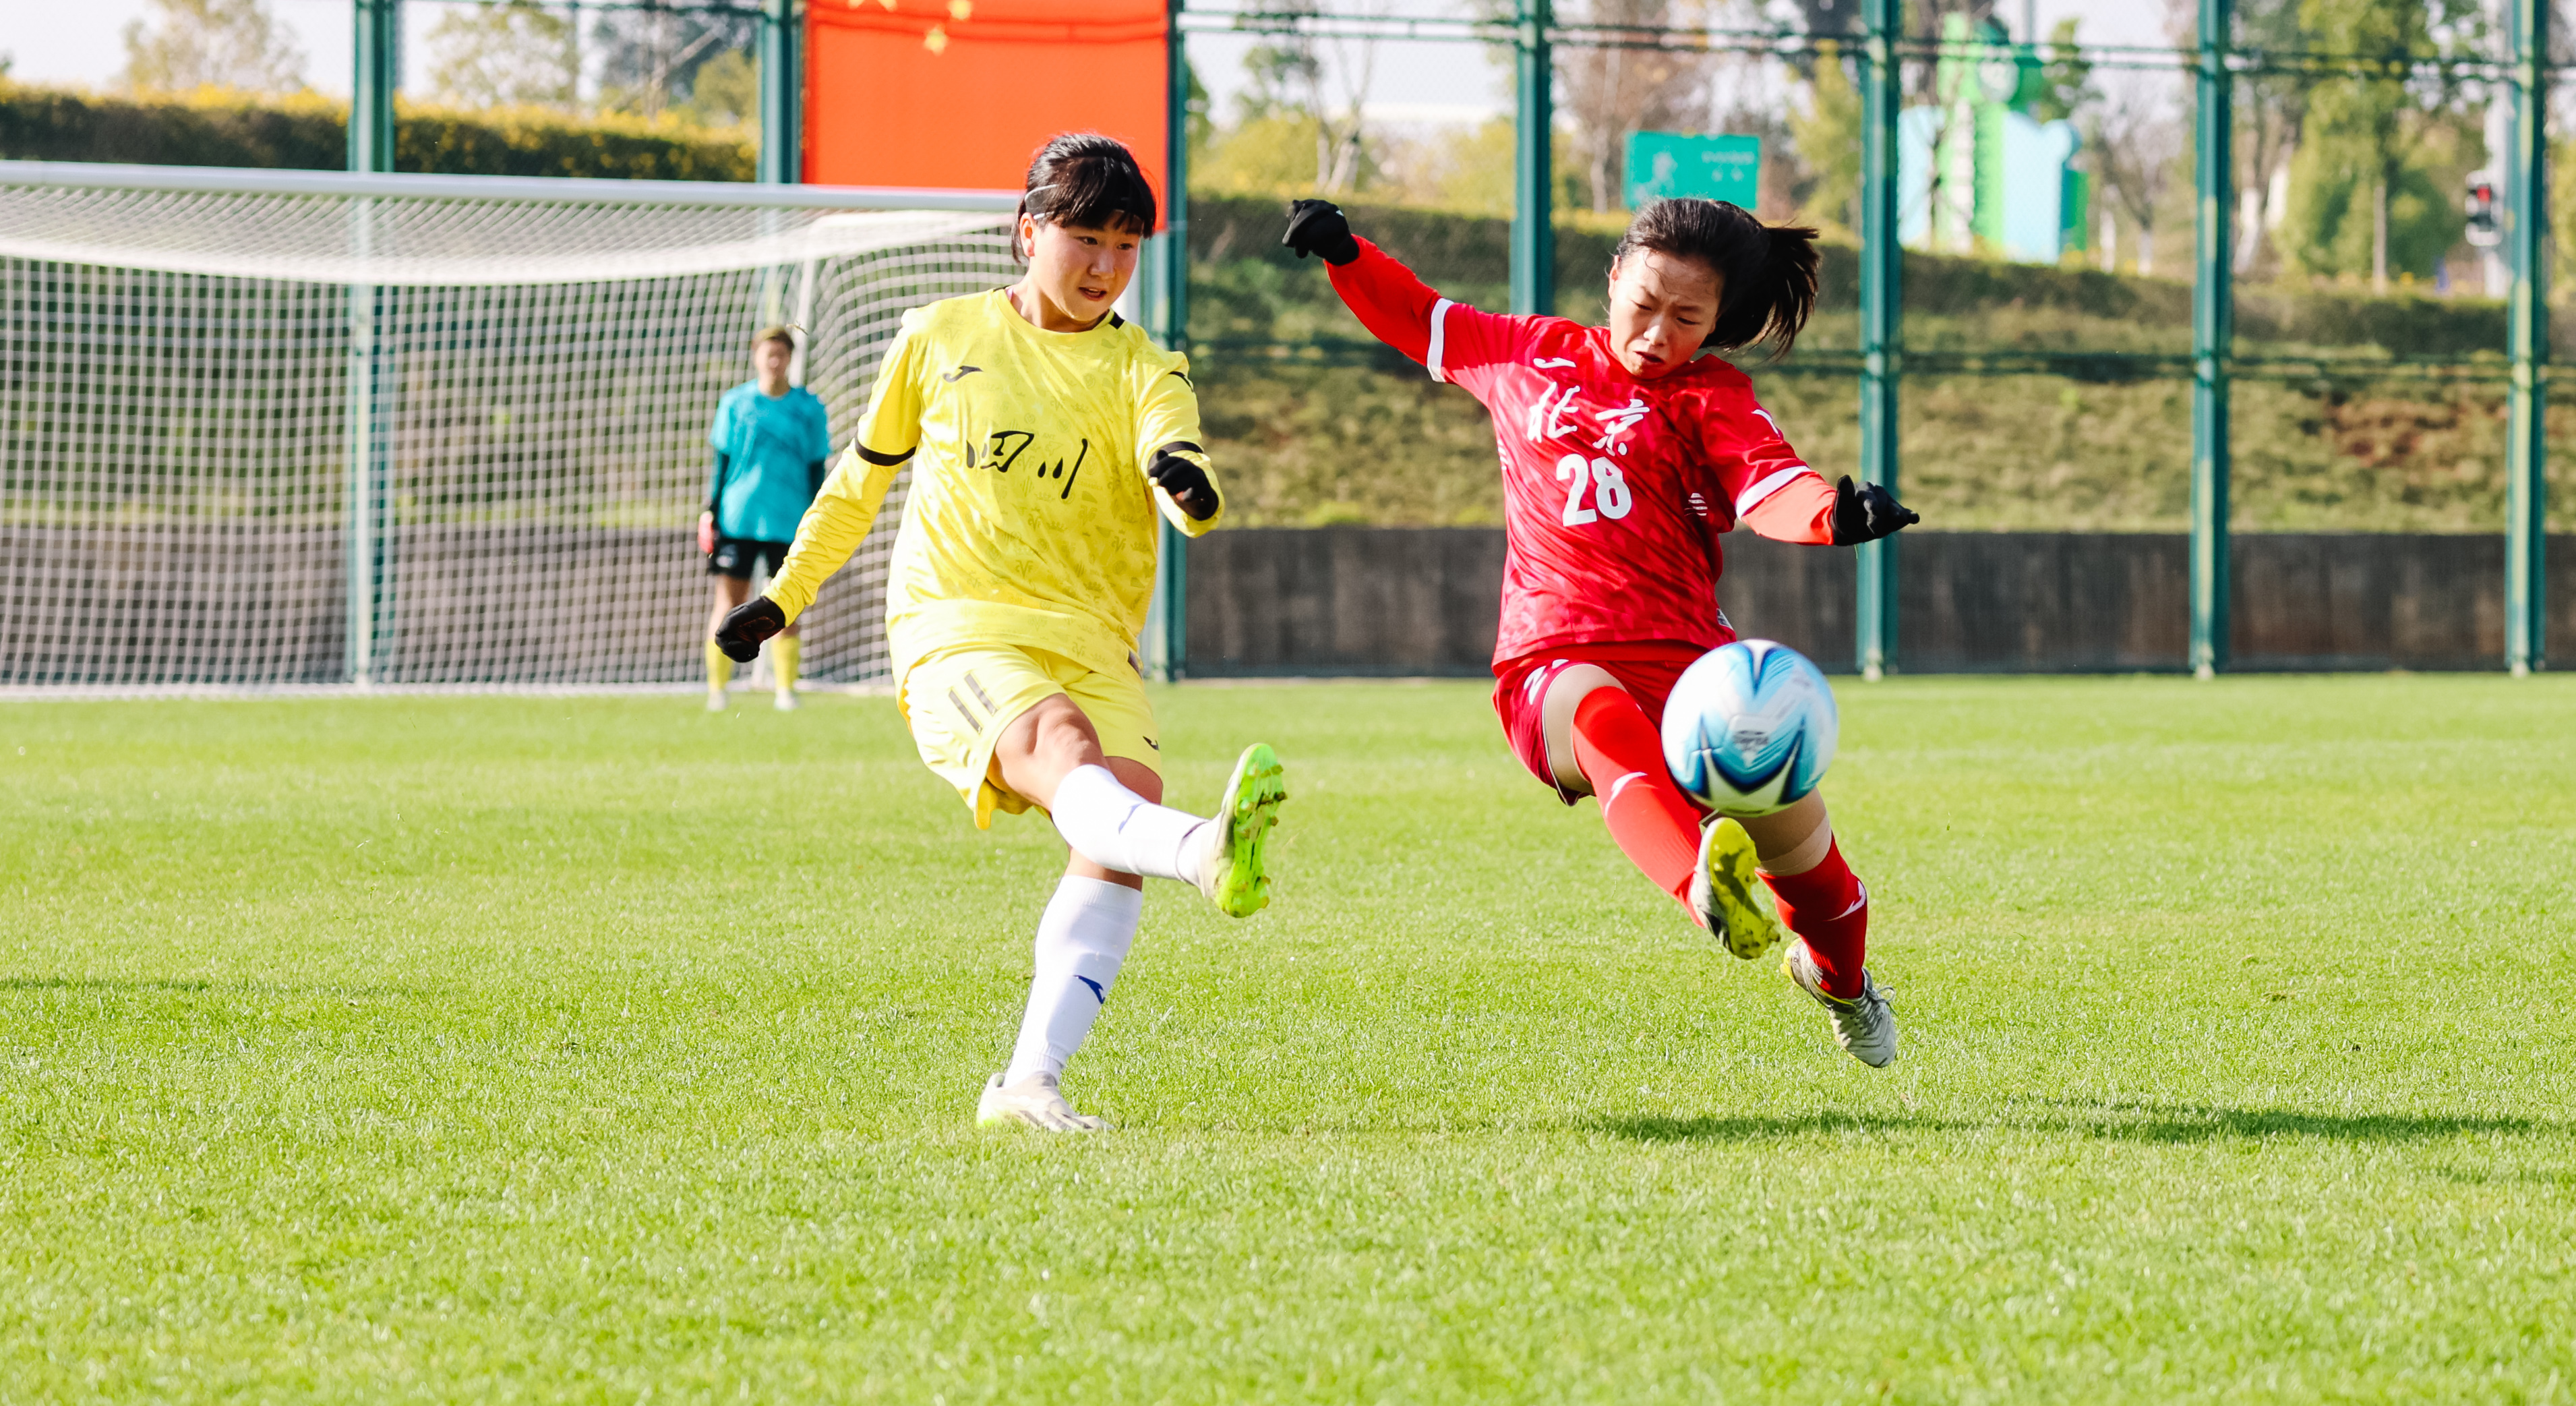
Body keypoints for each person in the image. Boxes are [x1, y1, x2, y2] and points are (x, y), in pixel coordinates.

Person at [714, 133, 1287, 1132]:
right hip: (956, 625)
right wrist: (785, 598)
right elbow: (857, 487)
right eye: (1086, 240)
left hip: (1095, 640)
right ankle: (1202, 850)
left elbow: (1183, 468)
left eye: (1126, 246)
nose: (1106, 267)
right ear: (1029, 232)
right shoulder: (937, 335)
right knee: (1067, 752)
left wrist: (1186, 482)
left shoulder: (1146, 365)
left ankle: (1028, 1086)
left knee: (1115, 826)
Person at [1284, 194, 1918, 1066]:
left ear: (1715, 325)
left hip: (1696, 677)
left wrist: (1834, 515)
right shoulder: (1525, 352)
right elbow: (1421, 318)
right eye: (1645, 302)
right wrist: (1345, 255)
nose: (1657, 331)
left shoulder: (1711, 397)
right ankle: (1700, 881)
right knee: (1598, 715)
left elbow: (1772, 484)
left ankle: (1840, 980)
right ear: (1614, 276)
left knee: (1815, 869)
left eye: (1686, 317)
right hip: (1551, 660)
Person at [701, 325, 833, 711]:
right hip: (738, 518)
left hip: (789, 521)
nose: (774, 361)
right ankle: (717, 690)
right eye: (768, 354)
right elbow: (721, 463)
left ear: (790, 359)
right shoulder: (735, 403)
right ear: (756, 356)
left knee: (785, 605)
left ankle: (785, 690)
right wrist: (710, 511)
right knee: (728, 603)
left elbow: (816, 466)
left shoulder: (809, 407)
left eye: (781, 354)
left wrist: (815, 514)